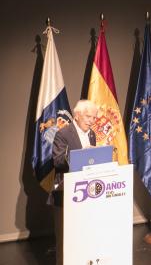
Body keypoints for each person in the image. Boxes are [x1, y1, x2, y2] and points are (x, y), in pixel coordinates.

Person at [50, 99, 98, 264]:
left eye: (94, 117)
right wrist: (81, 155)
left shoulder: (91, 134)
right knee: (65, 240)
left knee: (83, 237)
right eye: (88, 117)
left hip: (87, 192)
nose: (91, 121)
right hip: (65, 193)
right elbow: (58, 160)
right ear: (77, 116)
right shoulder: (63, 134)